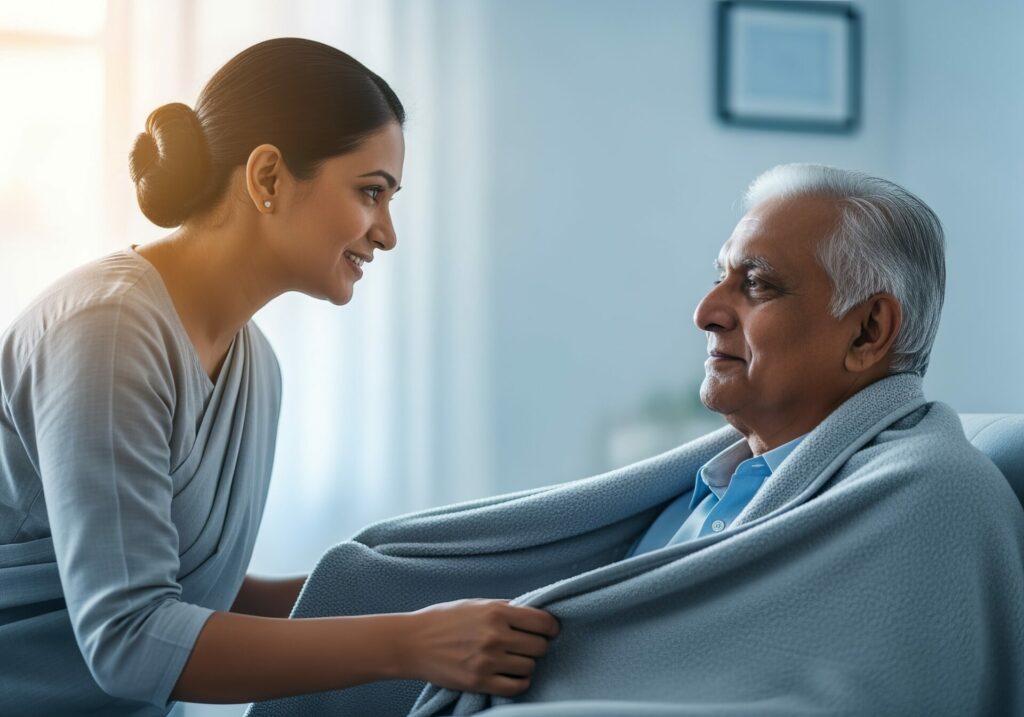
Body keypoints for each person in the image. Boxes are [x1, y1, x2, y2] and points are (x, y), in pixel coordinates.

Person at [251, 164, 1024, 716]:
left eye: (755, 284)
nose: (707, 310)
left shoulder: (934, 493)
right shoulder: (719, 474)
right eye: (720, 275)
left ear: (869, 329)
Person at [0, 38, 558, 717]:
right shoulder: (107, 330)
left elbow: (201, 595)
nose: (387, 234)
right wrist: (407, 641)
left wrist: (424, 603)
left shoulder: (256, 369)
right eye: (371, 193)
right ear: (267, 178)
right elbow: (129, 638)